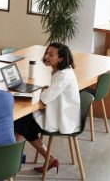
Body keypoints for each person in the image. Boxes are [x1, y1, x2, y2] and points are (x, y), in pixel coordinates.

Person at [14, 43, 80, 173]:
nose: (46, 57)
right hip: (61, 112)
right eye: (47, 53)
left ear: (61, 58)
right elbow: (52, 93)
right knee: (25, 123)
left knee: (21, 121)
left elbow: (44, 99)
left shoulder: (63, 76)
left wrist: (44, 92)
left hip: (62, 119)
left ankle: (13, 160)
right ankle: (49, 159)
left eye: (51, 55)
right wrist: (47, 90)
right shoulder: (62, 71)